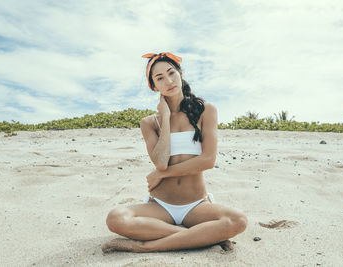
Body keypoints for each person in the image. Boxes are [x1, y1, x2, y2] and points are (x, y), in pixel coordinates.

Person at [101, 52, 247, 253]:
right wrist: (166, 118)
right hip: (161, 206)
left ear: (180, 73)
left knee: (238, 220)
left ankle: (144, 247)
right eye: (159, 78)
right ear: (154, 86)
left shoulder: (206, 111)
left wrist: (163, 174)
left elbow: (207, 161)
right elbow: (160, 162)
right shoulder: (149, 123)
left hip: (196, 206)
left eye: (171, 73)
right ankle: (203, 237)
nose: (168, 81)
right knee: (116, 218)